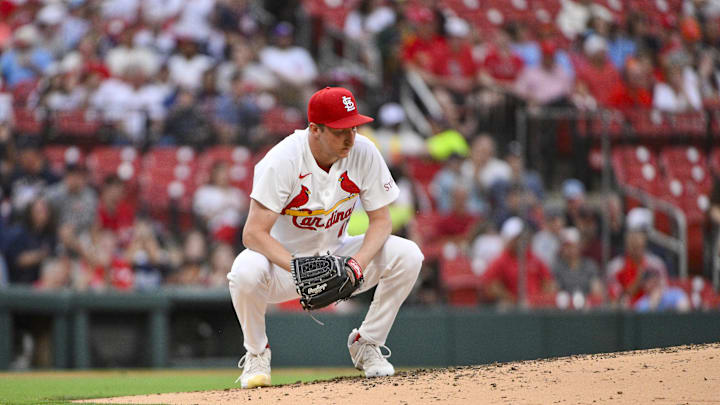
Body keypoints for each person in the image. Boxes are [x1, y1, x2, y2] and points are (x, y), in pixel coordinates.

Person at [227, 87, 423, 388]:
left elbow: (382, 222)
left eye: (354, 127)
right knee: (244, 272)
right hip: (281, 266)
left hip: (339, 257)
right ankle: (256, 353)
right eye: (340, 130)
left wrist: (357, 264)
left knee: (408, 255)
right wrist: (296, 267)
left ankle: (366, 342)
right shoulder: (283, 160)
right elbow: (252, 233)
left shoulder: (364, 151)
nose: (350, 137)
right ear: (315, 130)